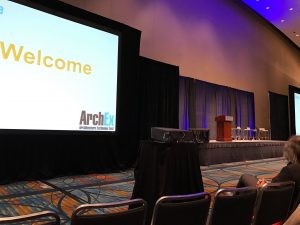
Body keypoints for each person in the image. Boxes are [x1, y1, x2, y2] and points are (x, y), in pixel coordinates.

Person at [236, 135, 300, 211]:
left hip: (274, 208)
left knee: (245, 177)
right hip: (290, 207)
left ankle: (233, 203)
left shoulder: (290, 170)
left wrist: (263, 186)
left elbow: (271, 193)